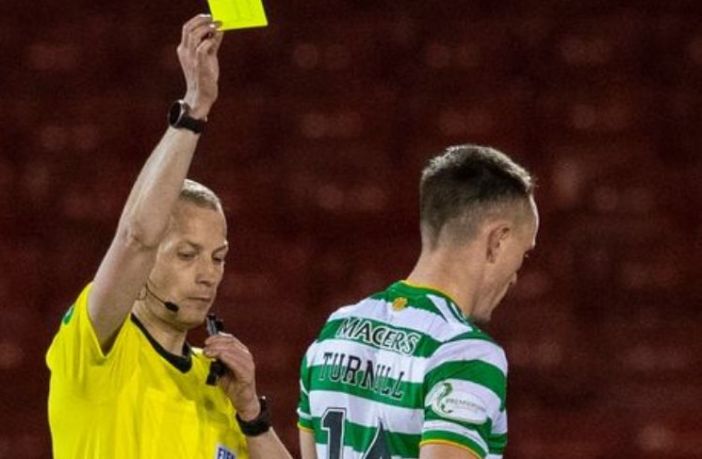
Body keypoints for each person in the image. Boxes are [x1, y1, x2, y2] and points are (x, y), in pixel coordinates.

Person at [46, 15, 292, 459]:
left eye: (217, 257)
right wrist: (195, 108)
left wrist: (251, 414)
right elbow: (136, 237)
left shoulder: (218, 386)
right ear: (145, 265)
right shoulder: (96, 348)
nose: (208, 275)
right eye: (186, 254)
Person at [297, 145, 539, 459]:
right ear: (497, 241)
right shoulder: (465, 354)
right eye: (524, 253)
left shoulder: (335, 331)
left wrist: (255, 421)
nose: (516, 276)